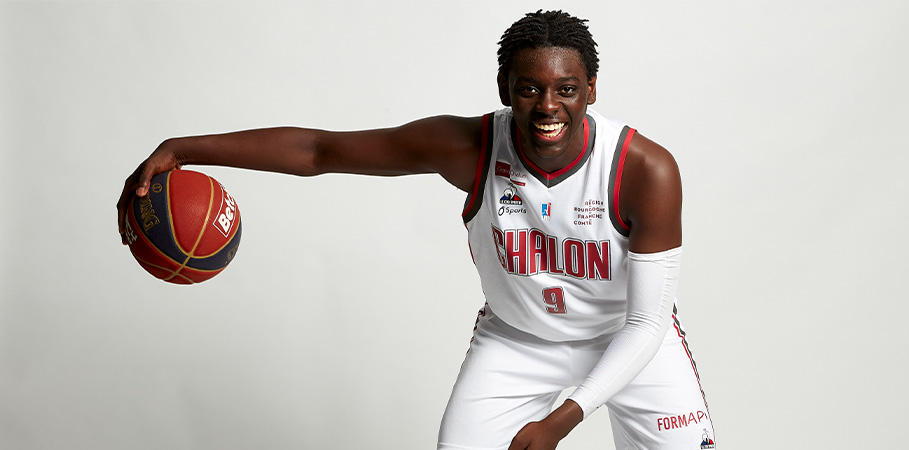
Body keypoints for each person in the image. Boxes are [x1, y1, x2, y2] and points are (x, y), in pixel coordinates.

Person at [117, 10, 715, 450]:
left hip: (628, 341)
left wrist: (562, 420)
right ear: (505, 90)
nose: (548, 106)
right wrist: (183, 148)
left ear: (591, 90)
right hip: (518, 341)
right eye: (530, 88)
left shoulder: (643, 170)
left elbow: (647, 323)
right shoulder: (468, 146)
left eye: (566, 89)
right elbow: (321, 150)